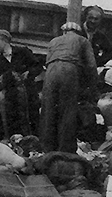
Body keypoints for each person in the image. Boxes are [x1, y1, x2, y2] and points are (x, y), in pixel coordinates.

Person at [40, 22, 97, 153]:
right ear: (78, 32)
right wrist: (92, 86)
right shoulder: (83, 40)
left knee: (48, 110)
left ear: (64, 31)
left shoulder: (53, 41)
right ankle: (65, 150)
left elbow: (47, 60)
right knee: (67, 111)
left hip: (50, 72)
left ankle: (47, 149)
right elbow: (91, 66)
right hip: (69, 70)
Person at [0, 29, 42, 138]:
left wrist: (29, 73)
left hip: (29, 97)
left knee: (33, 125)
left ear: (5, 41)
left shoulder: (23, 52)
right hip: (12, 102)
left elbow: (38, 66)